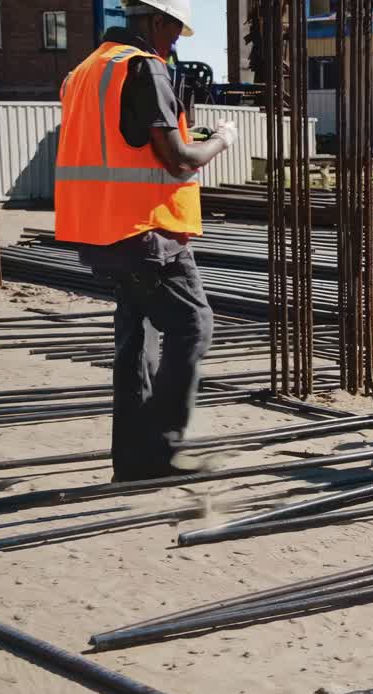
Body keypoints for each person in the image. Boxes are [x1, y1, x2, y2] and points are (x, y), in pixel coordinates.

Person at [54, 0, 238, 481]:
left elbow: (125, 143)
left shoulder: (85, 71)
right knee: (192, 325)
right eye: (175, 29)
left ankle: (133, 462)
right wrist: (221, 139)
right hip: (145, 232)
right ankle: (158, 449)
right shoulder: (143, 67)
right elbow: (178, 160)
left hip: (100, 230)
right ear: (157, 19)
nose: (176, 41)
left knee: (137, 340)